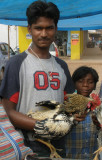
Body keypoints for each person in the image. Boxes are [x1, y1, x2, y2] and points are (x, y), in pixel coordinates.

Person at [0, 1, 76, 158]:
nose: (44, 33)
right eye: (38, 28)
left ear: (56, 29)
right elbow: (8, 111)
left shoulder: (61, 66)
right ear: (30, 29)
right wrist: (44, 126)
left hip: (59, 143)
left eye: (49, 28)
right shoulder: (17, 63)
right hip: (29, 144)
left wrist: (75, 115)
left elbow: (69, 104)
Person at [66, 66, 100, 159]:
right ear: (74, 83)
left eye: (90, 82)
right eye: (80, 81)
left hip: (91, 156)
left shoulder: (97, 106)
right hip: (70, 156)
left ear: (95, 85)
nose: (85, 85)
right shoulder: (67, 105)